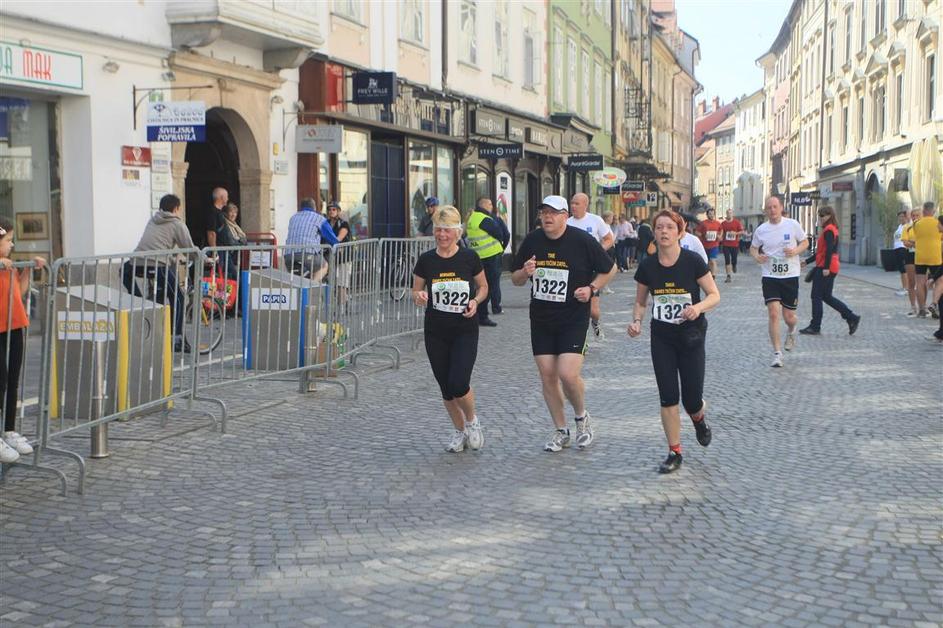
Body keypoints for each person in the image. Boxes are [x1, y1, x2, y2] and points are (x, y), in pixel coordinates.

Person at [511, 195, 616, 452]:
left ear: (565, 216)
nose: (547, 217)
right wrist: (525, 272)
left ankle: (581, 417)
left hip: (573, 317)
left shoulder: (582, 241)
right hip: (542, 318)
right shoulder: (533, 241)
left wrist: (591, 289)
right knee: (548, 375)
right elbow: (515, 279)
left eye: (553, 213)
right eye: (544, 212)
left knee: (568, 374)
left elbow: (610, 268)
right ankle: (561, 430)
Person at [627, 209, 719, 474]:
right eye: (659, 227)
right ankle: (674, 452)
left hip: (691, 336)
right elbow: (640, 301)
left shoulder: (692, 261)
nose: (664, 231)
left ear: (680, 232)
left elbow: (714, 295)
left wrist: (697, 308)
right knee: (668, 397)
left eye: (669, 227)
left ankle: (699, 419)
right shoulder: (648, 266)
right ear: (654, 233)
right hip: (662, 338)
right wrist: (636, 321)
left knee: (692, 400)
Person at [412, 206, 488, 452]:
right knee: (446, 387)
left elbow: (483, 287)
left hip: (464, 329)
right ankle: (459, 431)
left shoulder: (469, 258)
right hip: (436, 331)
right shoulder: (426, 260)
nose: (442, 235)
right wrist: (419, 296)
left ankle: (472, 421)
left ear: (457, 232)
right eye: (438, 229)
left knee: (459, 383)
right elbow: (416, 291)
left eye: (447, 230)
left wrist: (475, 302)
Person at [122, 194, 196, 353]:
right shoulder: (177, 224)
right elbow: (189, 248)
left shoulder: (153, 220)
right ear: (176, 208)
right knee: (179, 297)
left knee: (124, 271)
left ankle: (138, 300)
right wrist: (204, 258)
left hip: (136, 263)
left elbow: (154, 243)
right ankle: (177, 339)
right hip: (157, 264)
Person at [0, 218, 43, 463]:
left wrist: (28, 270)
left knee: (12, 381)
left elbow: (20, 291)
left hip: (14, 326)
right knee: (0, 381)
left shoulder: (10, 266)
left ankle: (9, 430)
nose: (12, 244)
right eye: (8, 240)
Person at [750, 195, 808, 367]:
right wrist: (757, 257)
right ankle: (777, 353)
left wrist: (795, 251)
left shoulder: (792, 224)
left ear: (781, 208)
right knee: (774, 313)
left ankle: (792, 329)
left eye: (775, 206)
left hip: (790, 275)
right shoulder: (761, 230)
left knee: (789, 316)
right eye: (769, 207)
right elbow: (753, 248)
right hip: (770, 276)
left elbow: (805, 242)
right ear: (765, 211)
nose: (772, 210)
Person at [799, 206, 861, 336]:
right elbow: (821, 252)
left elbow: (829, 251)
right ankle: (851, 317)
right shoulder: (830, 229)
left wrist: (826, 267)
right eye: (819, 216)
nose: (820, 218)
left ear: (829, 216)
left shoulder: (829, 230)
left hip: (826, 267)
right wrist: (807, 261)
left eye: (822, 216)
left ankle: (815, 326)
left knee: (816, 296)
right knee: (826, 296)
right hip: (829, 266)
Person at [567, 193, 614, 340]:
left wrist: (598, 252)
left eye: (577, 203)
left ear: (585, 205)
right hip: (572, 270)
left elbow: (609, 239)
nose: (573, 206)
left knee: (593, 311)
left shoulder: (595, 220)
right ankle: (580, 336)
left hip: (591, 270)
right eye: (572, 203)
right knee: (574, 306)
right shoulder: (566, 222)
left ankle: (595, 322)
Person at [465, 198, 505, 326]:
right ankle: (483, 316)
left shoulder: (472, 218)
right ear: (483, 205)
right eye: (490, 204)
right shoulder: (484, 218)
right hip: (491, 256)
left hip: (478, 256)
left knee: (478, 287)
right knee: (488, 287)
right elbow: (499, 233)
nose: (492, 206)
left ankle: (478, 314)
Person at [284, 197, 339, 282]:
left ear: (301, 207)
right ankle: (311, 286)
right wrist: (336, 245)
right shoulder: (319, 218)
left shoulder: (293, 218)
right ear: (314, 208)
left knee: (298, 280)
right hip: (307, 253)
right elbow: (332, 239)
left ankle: (303, 288)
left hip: (288, 255)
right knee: (323, 266)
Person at [912, 201, 942, 319]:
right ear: (933, 211)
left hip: (920, 256)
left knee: (920, 282)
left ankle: (922, 310)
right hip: (935, 256)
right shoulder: (938, 223)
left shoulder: (916, 224)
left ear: (924, 211)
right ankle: (935, 305)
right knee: (938, 282)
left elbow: (916, 235)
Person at [489, 200, 511, 313]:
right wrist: (502, 248)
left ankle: (480, 308)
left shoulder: (475, 219)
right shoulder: (496, 219)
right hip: (494, 255)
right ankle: (496, 307)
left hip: (479, 255)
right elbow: (506, 234)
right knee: (494, 282)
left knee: (482, 283)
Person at [901, 207, 922, 317]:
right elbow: (905, 242)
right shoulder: (907, 227)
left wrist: (913, 242)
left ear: (921, 216)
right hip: (910, 255)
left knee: (922, 282)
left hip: (922, 255)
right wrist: (915, 244)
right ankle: (913, 307)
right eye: (913, 215)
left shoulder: (924, 227)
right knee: (911, 281)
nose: (915, 217)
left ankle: (922, 307)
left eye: (917, 215)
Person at [892, 210, 915, 301]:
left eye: (902, 216)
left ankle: (906, 288)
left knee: (904, 268)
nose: (901, 218)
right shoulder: (900, 226)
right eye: (899, 217)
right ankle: (904, 286)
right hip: (897, 248)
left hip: (903, 248)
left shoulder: (908, 226)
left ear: (906, 217)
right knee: (901, 269)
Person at [696, 208, 723, 277]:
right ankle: (709, 273)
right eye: (710, 214)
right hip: (705, 245)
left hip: (714, 245)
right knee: (707, 261)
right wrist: (703, 235)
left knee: (713, 260)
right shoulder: (703, 223)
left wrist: (719, 236)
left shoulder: (717, 223)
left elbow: (721, 230)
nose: (711, 215)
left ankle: (713, 276)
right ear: (707, 215)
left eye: (713, 214)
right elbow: (697, 232)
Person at [719, 212, 743, 283]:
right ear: (726, 214)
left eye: (730, 213)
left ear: (732, 214)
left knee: (734, 259)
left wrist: (735, 233)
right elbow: (721, 232)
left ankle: (734, 265)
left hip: (734, 245)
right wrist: (720, 237)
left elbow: (742, 232)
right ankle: (728, 276)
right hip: (725, 244)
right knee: (727, 260)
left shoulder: (736, 222)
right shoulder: (723, 223)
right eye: (728, 213)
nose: (729, 214)